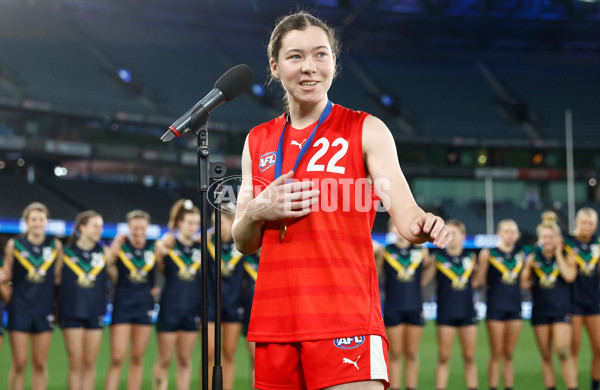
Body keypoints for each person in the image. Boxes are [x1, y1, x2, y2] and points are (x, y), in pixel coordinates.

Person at [231, 11, 450, 389]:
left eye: (320, 55)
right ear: (275, 67)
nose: (309, 67)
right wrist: (259, 209)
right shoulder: (257, 139)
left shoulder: (365, 128)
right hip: (276, 323)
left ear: (334, 61)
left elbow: (406, 213)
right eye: (295, 57)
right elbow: (242, 240)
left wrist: (423, 225)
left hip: (345, 316)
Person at [1, 202, 62, 390]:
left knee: (40, 364)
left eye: (41, 219)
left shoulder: (55, 245)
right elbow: (6, 277)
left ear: (46, 222)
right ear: (27, 222)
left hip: (44, 310)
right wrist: (12, 300)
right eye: (33, 219)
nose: (37, 223)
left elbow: (57, 278)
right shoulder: (15, 245)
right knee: (19, 363)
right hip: (19, 309)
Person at [521, 211, 578, 390]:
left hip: (561, 310)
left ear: (558, 238)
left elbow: (569, 276)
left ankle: (572, 387)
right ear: (540, 238)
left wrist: (559, 254)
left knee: (562, 351)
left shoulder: (567, 256)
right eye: (544, 237)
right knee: (546, 355)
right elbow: (523, 284)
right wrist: (527, 268)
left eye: (551, 237)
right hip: (540, 310)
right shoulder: (533, 258)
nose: (548, 240)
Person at [105, 210, 158, 390]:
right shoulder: (121, 246)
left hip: (144, 306)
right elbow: (107, 263)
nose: (138, 230)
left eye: (142, 226)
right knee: (118, 357)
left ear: (147, 227)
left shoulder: (154, 248)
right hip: (122, 305)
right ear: (129, 227)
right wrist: (115, 245)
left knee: (137, 357)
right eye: (135, 227)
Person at [375, 218, 430, 390]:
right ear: (391, 229)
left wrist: (421, 284)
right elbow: (375, 275)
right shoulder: (386, 251)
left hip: (415, 307)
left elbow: (430, 269)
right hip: (393, 308)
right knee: (396, 354)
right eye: (395, 227)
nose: (399, 230)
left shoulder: (421, 251)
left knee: (412, 353)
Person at [424, 220, 478, 390]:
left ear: (463, 236)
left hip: (468, 312)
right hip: (446, 313)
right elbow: (425, 281)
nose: (452, 237)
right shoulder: (437, 258)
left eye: (455, 233)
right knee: (444, 357)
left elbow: (477, 282)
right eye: (449, 233)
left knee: (469, 357)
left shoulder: (471, 258)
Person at [152, 199, 201, 390]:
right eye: (190, 222)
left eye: (197, 223)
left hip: (191, 310)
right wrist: (160, 248)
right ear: (179, 223)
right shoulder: (166, 245)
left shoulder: (200, 248)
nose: (194, 227)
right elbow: (156, 269)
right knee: (164, 360)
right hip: (170, 309)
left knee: (184, 359)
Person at [59, 210, 108, 390]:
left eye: (101, 227)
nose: (99, 230)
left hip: (95, 312)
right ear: (82, 227)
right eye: (95, 226)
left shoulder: (105, 252)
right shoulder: (64, 252)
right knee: (75, 363)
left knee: (89, 364)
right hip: (71, 312)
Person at [476, 219, 524, 390]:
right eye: (506, 231)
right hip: (495, 307)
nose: (510, 235)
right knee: (496, 353)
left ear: (517, 235)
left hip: (515, 308)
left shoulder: (520, 255)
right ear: (499, 234)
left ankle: (509, 387)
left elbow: (524, 283)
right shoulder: (489, 254)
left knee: (509, 354)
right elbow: (479, 281)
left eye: (513, 231)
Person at [205, 202, 245, 390]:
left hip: (234, 304)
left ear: (231, 221)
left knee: (229, 353)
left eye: (219, 223)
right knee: (210, 352)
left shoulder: (243, 243)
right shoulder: (206, 242)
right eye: (213, 223)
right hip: (211, 304)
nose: (215, 227)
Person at [565, 207, 600, 390]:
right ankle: (574, 386)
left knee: (599, 348)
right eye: (584, 222)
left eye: (591, 223)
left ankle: (595, 385)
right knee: (574, 348)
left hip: (594, 302)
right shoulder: (567, 243)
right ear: (577, 223)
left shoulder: (598, 244)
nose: (587, 226)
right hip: (573, 302)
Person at [242, 248, 260, 389]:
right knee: (256, 360)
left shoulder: (276, 254)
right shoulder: (245, 258)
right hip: (251, 315)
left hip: (275, 315)